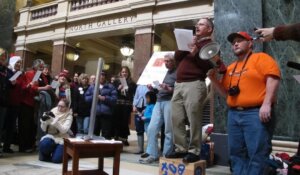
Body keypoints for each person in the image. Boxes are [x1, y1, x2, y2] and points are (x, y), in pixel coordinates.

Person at [207, 31, 281, 174]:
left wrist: (267, 103)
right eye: (233, 42)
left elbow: (273, 78)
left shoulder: (261, 58)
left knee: (257, 153)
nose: (235, 43)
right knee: (236, 153)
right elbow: (226, 94)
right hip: (234, 114)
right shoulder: (231, 67)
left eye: (240, 40)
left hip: (255, 113)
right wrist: (213, 79)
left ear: (250, 43)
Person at [166, 18, 214, 163]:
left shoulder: (209, 45)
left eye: (201, 24)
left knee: (194, 118)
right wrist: (185, 45)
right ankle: (181, 149)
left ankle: (194, 150)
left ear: (209, 29)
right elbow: (177, 57)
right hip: (179, 85)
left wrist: (196, 53)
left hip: (195, 84)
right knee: (176, 118)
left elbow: (209, 67)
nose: (197, 26)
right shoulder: (192, 41)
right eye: (197, 24)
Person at [139, 53, 176, 164]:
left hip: (170, 101)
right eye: (165, 61)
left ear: (174, 61)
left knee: (169, 130)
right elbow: (159, 89)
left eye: (168, 61)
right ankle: (153, 154)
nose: (166, 63)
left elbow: (180, 90)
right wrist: (153, 88)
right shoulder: (164, 72)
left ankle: (166, 155)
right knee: (151, 128)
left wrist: (169, 88)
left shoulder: (178, 73)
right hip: (159, 101)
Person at [19, 59, 52, 153]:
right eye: (40, 66)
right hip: (27, 102)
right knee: (25, 125)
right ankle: (24, 146)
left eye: (42, 66)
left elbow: (45, 85)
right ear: (35, 66)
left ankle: (31, 144)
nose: (42, 68)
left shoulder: (41, 75)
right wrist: (44, 88)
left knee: (33, 125)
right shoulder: (30, 73)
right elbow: (33, 87)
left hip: (37, 105)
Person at [39, 99, 73, 163]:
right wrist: (44, 122)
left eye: (62, 107)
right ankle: (46, 153)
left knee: (56, 160)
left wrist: (56, 122)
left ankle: (67, 152)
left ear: (67, 107)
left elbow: (64, 130)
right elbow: (43, 129)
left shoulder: (69, 115)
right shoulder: (52, 111)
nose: (59, 108)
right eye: (58, 106)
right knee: (44, 145)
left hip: (62, 138)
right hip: (51, 136)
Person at [85, 72, 117, 139]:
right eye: (100, 75)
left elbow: (114, 100)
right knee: (94, 135)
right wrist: (94, 97)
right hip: (95, 114)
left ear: (105, 77)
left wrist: (104, 98)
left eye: (103, 76)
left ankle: (105, 149)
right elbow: (86, 98)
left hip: (106, 114)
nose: (101, 77)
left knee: (106, 135)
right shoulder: (92, 86)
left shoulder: (111, 87)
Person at [2, 56, 23, 153]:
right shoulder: (8, 71)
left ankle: (7, 146)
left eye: (20, 62)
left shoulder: (20, 74)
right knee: (3, 126)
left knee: (11, 126)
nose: (19, 64)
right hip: (6, 102)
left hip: (16, 103)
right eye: (17, 62)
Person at [114, 66, 136, 145]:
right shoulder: (116, 81)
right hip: (118, 105)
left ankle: (124, 138)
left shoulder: (132, 83)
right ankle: (116, 137)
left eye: (126, 72)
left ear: (128, 73)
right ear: (120, 73)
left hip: (126, 105)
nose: (124, 73)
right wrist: (118, 89)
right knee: (117, 121)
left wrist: (127, 89)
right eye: (123, 72)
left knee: (124, 122)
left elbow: (134, 94)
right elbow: (113, 92)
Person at [0, 49, 14, 157]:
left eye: (5, 56)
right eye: (2, 56)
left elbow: (10, 83)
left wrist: (12, 82)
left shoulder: (7, 70)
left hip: (4, 101)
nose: (4, 58)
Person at [132, 84, 149, 154]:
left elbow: (153, 98)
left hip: (147, 107)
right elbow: (136, 96)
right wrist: (134, 105)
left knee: (148, 129)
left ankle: (149, 150)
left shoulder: (150, 86)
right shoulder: (139, 86)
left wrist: (147, 107)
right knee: (139, 129)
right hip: (138, 107)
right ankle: (140, 149)